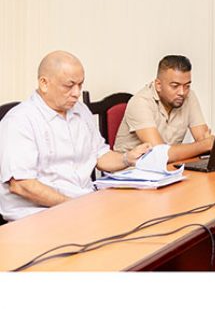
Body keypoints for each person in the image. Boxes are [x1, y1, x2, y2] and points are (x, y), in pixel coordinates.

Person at [0, 51, 151, 221]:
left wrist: (127, 158)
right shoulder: (19, 120)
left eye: (80, 85)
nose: (76, 93)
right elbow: (21, 185)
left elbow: (99, 156)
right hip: (38, 216)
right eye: (69, 85)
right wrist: (75, 207)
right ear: (44, 83)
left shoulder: (80, 111)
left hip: (83, 205)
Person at [115, 55, 214, 163]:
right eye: (175, 86)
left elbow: (204, 139)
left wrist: (205, 144)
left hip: (168, 169)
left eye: (187, 86)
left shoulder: (189, 96)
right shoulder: (140, 102)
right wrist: (204, 145)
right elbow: (160, 153)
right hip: (131, 172)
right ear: (158, 85)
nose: (182, 92)